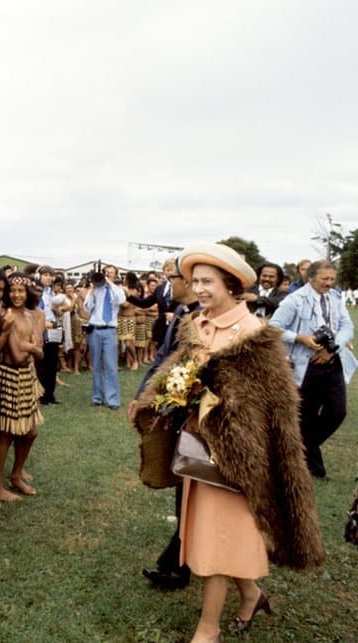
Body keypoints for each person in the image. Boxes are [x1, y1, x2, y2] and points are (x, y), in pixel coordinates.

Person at [135, 243, 324, 643]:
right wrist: (162, 396)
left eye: (208, 282)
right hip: (198, 454)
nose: (199, 289)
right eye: (196, 281)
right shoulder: (196, 324)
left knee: (220, 539)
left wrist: (217, 406)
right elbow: (174, 372)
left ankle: (208, 629)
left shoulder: (256, 336)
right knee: (214, 535)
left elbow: (273, 407)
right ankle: (252, 594)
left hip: (235, 461)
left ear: (232, 285)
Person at [128, 257, 199, 590]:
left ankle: (177, 566)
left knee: (192, 488)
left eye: (171, 276)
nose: (167, 281)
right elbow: (160, 360)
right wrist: (142, 398)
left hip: (194, 418)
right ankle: (177, 562)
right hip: (173, 413)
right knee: (183, 486)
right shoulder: (180, 313)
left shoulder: (200, 318)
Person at [270, 259, 357, 478]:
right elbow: (273, 328)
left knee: (337, 412)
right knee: (306, 415)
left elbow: (347, 326)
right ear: (311, 278)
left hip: (332, 362)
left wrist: (332, 348)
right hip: (305, 366)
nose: (329, 283)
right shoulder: (294, 300)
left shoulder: (335, 297)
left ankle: (297, 451)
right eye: (324, 279)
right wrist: (300, 338)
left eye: (332, 279)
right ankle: (314, 468)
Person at [0, 273, 43, 502]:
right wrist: (31, 347)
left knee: (31, 431)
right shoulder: (3, 315)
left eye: (21, 291)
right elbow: (19, 356)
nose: (17, 295)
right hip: (8, 376)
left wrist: (29, 346)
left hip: (27, 378)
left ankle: (16, 475)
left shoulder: (31, 315)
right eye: (12, 291)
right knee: (6, 433)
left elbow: (40, 351)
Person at [84, 265, 126, 409]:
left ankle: (113, 400)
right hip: (95, 329)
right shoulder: (96, 290)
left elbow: (121, 299)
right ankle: (97, 398)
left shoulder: (116, 290)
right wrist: (91, 289)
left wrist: (110, 283)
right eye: (105, 272)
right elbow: (87, 308)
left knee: (111, 366)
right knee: (95, 366)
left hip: (110, 330)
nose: (107, 274)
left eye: (110, 273)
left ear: (115, 275)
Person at [35, 265, 61, 404]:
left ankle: (50, 394)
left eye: (50, 275)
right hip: (41, 330)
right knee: (41, 364)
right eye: (45, 275)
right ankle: (42, 395)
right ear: (39, 276)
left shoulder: (52, 293)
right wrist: (44, 323)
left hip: (53, 329)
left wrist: (58, 312)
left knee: (52, 364)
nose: (48, 277)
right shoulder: (37, 292)